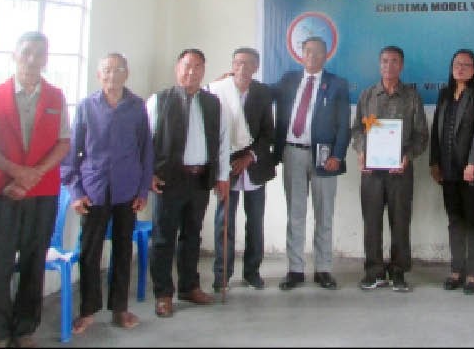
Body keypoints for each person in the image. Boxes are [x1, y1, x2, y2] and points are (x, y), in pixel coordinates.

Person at [0, 31, 71, 348]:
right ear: (14, 55)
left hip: (43, 192)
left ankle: (24, 327)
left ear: (47, 58)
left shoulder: (56, 96)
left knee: (34, 261)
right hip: (1, 191)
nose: (33, 59)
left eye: (40, 53)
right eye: (27, 52)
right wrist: (18, 174)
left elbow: (63, 142)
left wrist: (34, 175)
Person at [60, 53, 153, 334]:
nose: (112, 75)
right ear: (99, 75)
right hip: (93, 189)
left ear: (127, 74)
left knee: (123, 249)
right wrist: (75, 191)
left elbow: (146, 150)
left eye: (118, 70)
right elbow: (72, 152)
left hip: (127, 189)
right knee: (90, 251)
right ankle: (88, 311)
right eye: (107, 70)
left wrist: (142, 190)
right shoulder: (88, 106)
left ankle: (120, 308)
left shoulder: (137, 107)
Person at [146, 49, 231, 318]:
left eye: (197, 67)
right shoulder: (159, 101)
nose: (191, 72)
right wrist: (148, 173)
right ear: (177, 68)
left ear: (204, 70)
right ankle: (163, 294)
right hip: (169, 179)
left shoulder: (213, 103)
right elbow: (144, 141)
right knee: (163, 237)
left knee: (192, 235)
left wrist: (222, 176)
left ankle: (189, 286)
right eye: (186, 66)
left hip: (199, 178)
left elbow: (223, 141)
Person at [272, 36, 351, 291]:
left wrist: (337, 156)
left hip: (325, 157)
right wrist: (231, 79)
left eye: (318, 53)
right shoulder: (288, 81)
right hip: (292, 153)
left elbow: (344, 126)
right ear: (301, 54)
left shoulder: (337, 84)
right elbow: (262, 93)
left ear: (326, 56)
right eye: (308, 52)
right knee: (295, 214)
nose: (312, 57)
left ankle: (323, 269)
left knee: (323, 214)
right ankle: (295, 269)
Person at [351, 46, 429, 292]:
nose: (389, 66)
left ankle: (398, 272)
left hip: (400, 171)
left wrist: (408, 156)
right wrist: (362, 151)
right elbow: (357, 130)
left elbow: (421, 135)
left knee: (400, 222)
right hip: (372, 173)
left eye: (394, 61)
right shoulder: (367, 96)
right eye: (384, 61)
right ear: (379, 64)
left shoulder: (412, 97)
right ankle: (374, 271)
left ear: (401, 66)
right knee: (371, 223)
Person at [208, 47, 275, 292]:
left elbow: (269, 133)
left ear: (256, 67)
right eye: (237, 63)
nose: (242, 69)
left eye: (247, 64)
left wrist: (250, 156)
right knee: (224, 222)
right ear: (231, 65)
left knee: (255, 222)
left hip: (254, 168)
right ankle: (221, 274)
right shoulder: (219, 91)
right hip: (227, 168)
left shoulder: (263, 93)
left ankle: (252, 272)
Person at [430, 49, 474, 295]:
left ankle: (473, 274)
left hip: (472, 170)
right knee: (455, 220)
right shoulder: (445, 93)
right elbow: (437, 128)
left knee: (473, 221)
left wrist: (473, 163)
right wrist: (434, 162)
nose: (460, 68)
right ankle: (456, 270)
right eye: (457, 63)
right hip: (449, 169)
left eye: (466, 65)